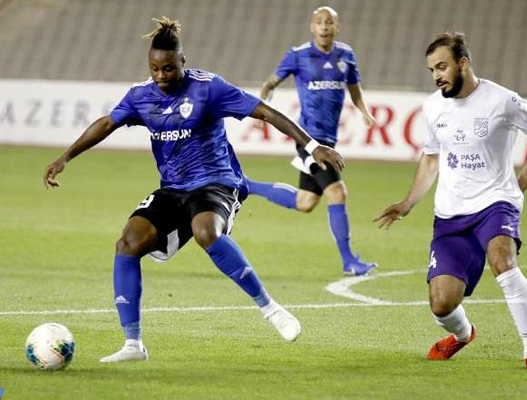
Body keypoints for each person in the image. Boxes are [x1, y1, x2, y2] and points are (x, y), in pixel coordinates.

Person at [43, 17, 346, 363]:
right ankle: (133, 344)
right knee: (128, 242)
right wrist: (66, 157)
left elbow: (265, 112)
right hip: (173, 188)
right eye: (155, 69)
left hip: (217, 183)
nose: (161, 76)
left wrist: (312, 146)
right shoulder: (141, 96)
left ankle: (270, 308)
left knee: (206, 232)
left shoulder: (209, 88)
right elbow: (107, 123)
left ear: (182, 62)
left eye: (168, 68)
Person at [374, 32, 527, 370]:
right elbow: (431, 158)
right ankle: (462, 334)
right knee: (442, 304)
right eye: (431, 70)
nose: (436, 75)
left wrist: (519, 186)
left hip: (495, 203)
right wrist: (408, 202)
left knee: (503, 260)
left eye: (442, 67)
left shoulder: (502, 100)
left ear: (463, 63)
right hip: (450, 213)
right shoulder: (433, 107)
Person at [244, 6, 377, 276]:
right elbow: (269, 84)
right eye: (319, 22)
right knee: (337, 193)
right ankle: (349, 261)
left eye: (329, 22)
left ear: (337, 27)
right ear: (312, 27)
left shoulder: (346, 55)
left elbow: (355, 89)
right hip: (308, 139)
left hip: (329, 140)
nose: (324, 26)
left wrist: (364, 111)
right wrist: (261, 109)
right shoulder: (298, 55)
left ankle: (248, 186)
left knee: (306, 202)